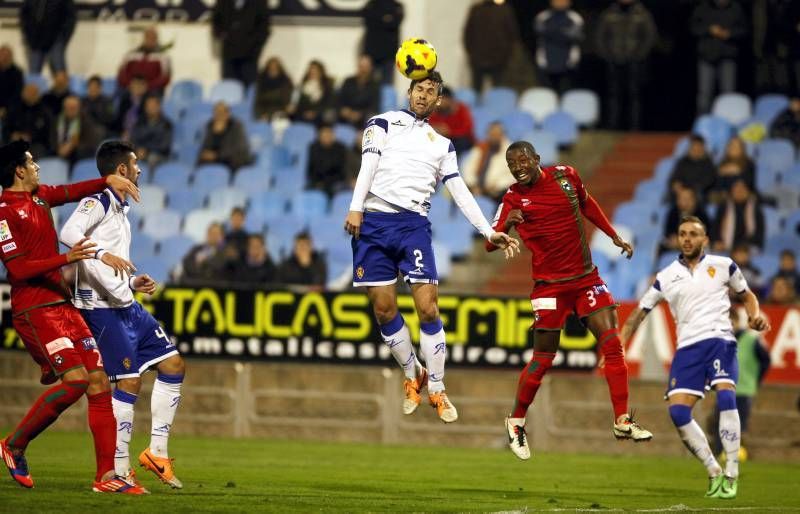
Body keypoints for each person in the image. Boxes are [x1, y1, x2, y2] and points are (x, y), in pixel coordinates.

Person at [344, 70, 519, 423]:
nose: (424, 95)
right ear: (409, 92)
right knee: (383, 309)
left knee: (428, 309)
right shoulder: (383, 122)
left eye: (431, 92)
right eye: (419, 89)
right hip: (374, 223)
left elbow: (460, 192)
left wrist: (488, 230)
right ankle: (413, 374)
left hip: (412, 227)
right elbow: (369, 164)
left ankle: (437, 388)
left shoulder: (442, 145)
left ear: (439, 100)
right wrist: (356, 206)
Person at [487, 140, 652, 461]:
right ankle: (516, 420)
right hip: (548, 287)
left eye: (523, 160)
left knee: (612, 343)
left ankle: (621, 420)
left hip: (585, 278)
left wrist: (613, 235)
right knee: (544, 357)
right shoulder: (511, 198)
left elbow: (588, 205)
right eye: (512, 164)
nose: (518, 167)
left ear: (537, 159)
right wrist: (508, 224)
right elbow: (490, 243)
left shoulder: (566, 176)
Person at [0, 140, 145, 494]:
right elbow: (17, 270)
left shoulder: (40, 197)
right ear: (19, 170)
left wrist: (109, 180)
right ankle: (14, 444)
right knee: (77, 381)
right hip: (35, 307)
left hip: (62, 303)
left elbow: (70, 190)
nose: (37, 167)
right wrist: (65, 260)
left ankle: (106, 477)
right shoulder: (3, 211)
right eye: (32, 163)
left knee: (98, 383)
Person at [60, 140, 186, 490]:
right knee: (129, 382)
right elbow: (67, 233)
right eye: (135, 164)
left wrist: (131, 280)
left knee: (174, 365)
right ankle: (118, 469)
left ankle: (157, 453)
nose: (140, 170)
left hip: (127, 306)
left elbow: (113, 263)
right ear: (121, 171)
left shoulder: (120, 209)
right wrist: (100, 254)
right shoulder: (97, 200)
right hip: (101, 312)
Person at [621, 215, 769, 499]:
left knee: (726, 396)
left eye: (693, 234)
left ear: (705, 240)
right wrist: (620, 341)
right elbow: (640, 311)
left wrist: (754, 315)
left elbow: (747, 295)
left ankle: (732, 473)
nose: (687, 238)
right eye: (682, 234)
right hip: (687, 348)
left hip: (719, 340)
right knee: (678, 412)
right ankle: (713, 470)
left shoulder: (724, 265)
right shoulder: (665, 277)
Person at [709, 308, 771, 460]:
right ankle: (718, 455)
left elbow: (766, 361)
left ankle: (734, 456)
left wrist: (755, 380)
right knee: (719, 422)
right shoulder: (720, 342)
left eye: (731, 321)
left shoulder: (751, 340)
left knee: (738, 425)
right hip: (724, 390)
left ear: (737, 322)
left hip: (743, 390)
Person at [595, 0, 657, 130]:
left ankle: (634, 127)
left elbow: (649, 37)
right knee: (613, 94)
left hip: (635, 62)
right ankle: (612, 126)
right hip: (613, 61)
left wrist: (639, 56)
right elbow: (600, 37)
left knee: (635, 95)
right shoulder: (608, 14)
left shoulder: (642, 14)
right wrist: (608, 56)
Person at [690, 0, 748, 115]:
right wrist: (709, 29)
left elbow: (744, 30)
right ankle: (702, 125)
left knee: (728, 96)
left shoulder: (736, 9)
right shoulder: (702, 7)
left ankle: (727, 123)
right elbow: (693, 27)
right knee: (704, 96)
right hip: (706, 57)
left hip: (728, 57)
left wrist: (729, 34)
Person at [462, 0, 519, 93]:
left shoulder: (502, 10)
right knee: (483, 89)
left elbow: (511, 35)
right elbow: (468, 34)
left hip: (492, 58)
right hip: (487, 58)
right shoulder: (477, 10)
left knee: (493, 89)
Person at [211, 0, 271, 88]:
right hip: (229, 55)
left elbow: (264, 28)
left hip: (250, 56)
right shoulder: (223, 2)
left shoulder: (259, 2)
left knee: (249, 88)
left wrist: (254, 47)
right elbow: (216, 20)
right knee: (229, 89)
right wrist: (221, 34)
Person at [533, 0, 584, 95]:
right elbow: (540, 32)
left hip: (568, 65)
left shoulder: (575, 18)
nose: (560, 2)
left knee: (567, 96)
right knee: (548, 96)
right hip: (546, 63)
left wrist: (552, 32)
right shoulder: (542, 17)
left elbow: (573, 36)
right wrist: (562, 32)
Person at [20, 0, 76, 74]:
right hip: (35, 40)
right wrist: (28, 35)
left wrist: (63, 37)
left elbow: (70, 17)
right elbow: (24, 14)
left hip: (55, 40)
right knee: (34, 75)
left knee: (59, 72)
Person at [461, 121, 513, 202]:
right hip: (476, 188)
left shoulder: (511, 151)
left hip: (497, 192)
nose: (494, 137)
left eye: (497, 134)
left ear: (503, 135)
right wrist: (473, 184)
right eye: (492, 134)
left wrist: (497, 185)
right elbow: (468, 167)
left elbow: (513, 176)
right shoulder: (481, 147)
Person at [711, 179, 765, 252]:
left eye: (742, 188)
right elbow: (715, 228)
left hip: (747, 248)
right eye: (736, 188)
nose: (739, 191)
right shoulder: (723, 207)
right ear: (731, 191)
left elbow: (759, 233)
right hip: (725, 246)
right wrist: (717, 241)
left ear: (748, 191)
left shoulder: (756, 209)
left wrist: (744, 246)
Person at [2, 83, 54, 158]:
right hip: (14, 142)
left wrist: (31, 137)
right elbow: (6, 127)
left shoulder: (45, 112)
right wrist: (12, 135)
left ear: (38, 95)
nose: (30, 95)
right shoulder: (14, 109)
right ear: (23, 93)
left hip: (35, 144)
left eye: (33, 93)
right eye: (28, 92)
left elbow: (47, 133)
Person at [197, 101, 252, 170]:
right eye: (216, 112)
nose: (218, 115)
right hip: (216, 161)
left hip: (234, 160)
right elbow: (205, 146)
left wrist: (216, 155)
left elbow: (238, 148)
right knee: (202, 163)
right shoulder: (210, 125)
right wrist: (205, 154)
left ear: (227, 114)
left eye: (221, 112)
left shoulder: (237, 126)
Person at [117, 26, 171, 95]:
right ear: (144, 38)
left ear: (157, 39)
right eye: (148, 37)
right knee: (122, 94)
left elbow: (165, 78)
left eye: (153, 37)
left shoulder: (164, 56)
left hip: (152, 90)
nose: (150, 39)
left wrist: (147, 86)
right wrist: (132, 85)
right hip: (131, 88)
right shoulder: (131, 54)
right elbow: (121, 73)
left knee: (154, 96)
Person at [659, 185, 710, 256]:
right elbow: (669, 234)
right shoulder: (672, 213)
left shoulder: (702, 215)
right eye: (682, 199)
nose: (685, 202)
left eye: (688, 199)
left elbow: (704, 237)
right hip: (674, 249)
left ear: (694, 200)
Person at [55, 95, 106, 164]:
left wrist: (71, 145)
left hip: (79, 156)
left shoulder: (86, 121)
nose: (71, 110)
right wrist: (59, 149)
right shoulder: (58, 120)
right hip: (59, 153)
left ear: (79, 108)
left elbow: (91, 144)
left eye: (73, 108)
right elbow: (52, 138)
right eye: (68, 108)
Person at [363, 0, 404, 84]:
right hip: (372, 53)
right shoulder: (371, 5)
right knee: (370, 84)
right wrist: (384, 19)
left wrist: (378, 19)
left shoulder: (397, 6)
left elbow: (395, 22)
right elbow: (368, 21)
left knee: (387, 84)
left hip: (389, 54)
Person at [668, 134, 717, 203]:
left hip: (699, 197)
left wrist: (690, 190)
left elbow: (708, 182)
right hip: (681, 195)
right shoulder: (682, 162)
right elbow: (674, 178)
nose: (696, 149)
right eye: (694, 146)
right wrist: (675, 184)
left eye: (699, 146)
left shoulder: (708, 164)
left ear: (703, 148)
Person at [130, 94, 173, 169]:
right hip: (139, 152)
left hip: (158, 155)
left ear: (159, 107)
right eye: (148, 106)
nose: (150, 108)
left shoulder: (166, 124)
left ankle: (150, 180)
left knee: (152, 158)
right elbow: (133, 139)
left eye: (153, 106)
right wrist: (138, 149)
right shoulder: (140, 122)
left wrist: (147, 151)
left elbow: (164, 146)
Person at [428, 86, 475, 155]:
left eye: (441, 99)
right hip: (442, 140)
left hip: (461, 140)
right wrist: (435, 128)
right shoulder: (435, 111)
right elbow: (427, 126)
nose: (439, 103)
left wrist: (449, 132)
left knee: (460, 142)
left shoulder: (462, 109)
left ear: (450, 99)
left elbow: (467, 130)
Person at [337, 55, 381, 128]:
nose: (363, 70)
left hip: (363, 120)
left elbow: (374, 106)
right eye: (361, 67)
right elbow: (340, 100)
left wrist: (360, 114)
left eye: (366, 67)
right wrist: (344, 110)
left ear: (371, 68)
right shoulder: (348, 81)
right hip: (344, 118)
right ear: (357, 67)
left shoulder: (375, 86)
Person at [288, 60, 336, 125]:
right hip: (302, 116)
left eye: (315, 71)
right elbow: (295, 103)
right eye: (311, 71)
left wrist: (315, 112)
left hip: (320, 117)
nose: (313, 73)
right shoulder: (300, 87)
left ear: (321, 73)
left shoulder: (327, 88)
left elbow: (329, 104)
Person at [307, 123, 347, 197]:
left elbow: (341, 169)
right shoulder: (313, 148)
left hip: (335, 181)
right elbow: (311, 169)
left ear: (333, 135)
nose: (326, 137)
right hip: (318, 181)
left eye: (329, 134)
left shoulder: (340, 148)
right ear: (319, 136)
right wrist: (318, 182)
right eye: (324, 135)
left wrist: (329, 182)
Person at [712, 136, 755, 200]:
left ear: (742, 149)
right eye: (731, 145)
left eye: (736, 146)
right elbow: (716, 185)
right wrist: (721, 173)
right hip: (724, 196)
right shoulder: (721, 164)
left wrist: (739, 172)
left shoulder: (749, 164)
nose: (733, 148)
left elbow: (750, 183)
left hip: (743, 196)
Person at [253, 57, 293, 121]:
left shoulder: (286, 81)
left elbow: (288, 100)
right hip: (265, 111)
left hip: (280, 111)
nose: (273, 68)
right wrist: (261, 114)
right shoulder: (261, 80)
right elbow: (258, 101)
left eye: (275, 67)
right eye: (271, 67)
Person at [0, 45, 24, 121]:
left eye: (7, 56)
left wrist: (6, 109)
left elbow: (17, 93)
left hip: (10, 109)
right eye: (3, 55)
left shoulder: (17, 73)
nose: (5, 58)